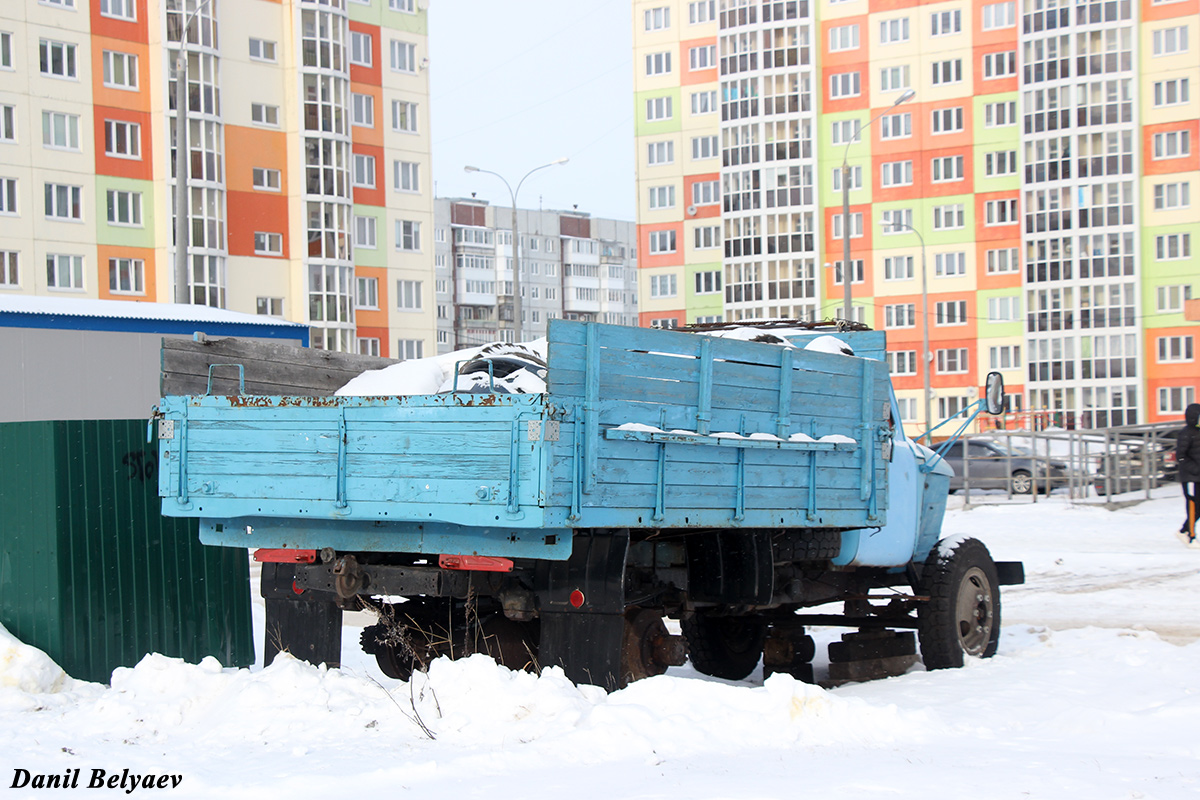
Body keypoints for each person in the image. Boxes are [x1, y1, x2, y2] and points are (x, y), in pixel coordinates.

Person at [1177, 402, 1200, 543]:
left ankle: (1184, 530)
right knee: (1192, 504)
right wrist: (1195, 469)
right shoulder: (1186, 433)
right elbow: (1181, 456)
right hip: (1191, 476)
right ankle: (1190, 536)